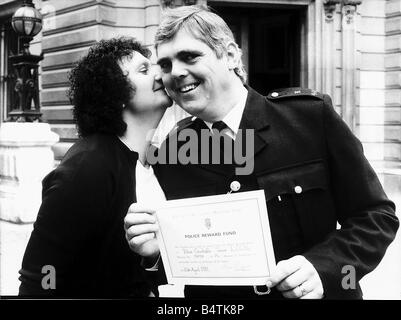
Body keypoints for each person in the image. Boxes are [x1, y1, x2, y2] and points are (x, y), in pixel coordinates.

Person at [124, 5, 399, 299]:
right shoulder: (173, 150)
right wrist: (153, 254)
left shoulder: (310, 119)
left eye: (190, 56)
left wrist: (326, 270)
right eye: (165, 65)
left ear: (230, 55)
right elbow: (187, 261)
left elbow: (376, 216)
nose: (176, 72)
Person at [18, 37, 172, 297]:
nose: (160, 74)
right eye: (144, 70)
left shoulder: (160, 162)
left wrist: (151, 259)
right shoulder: (87, 167)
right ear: (115, 93)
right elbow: (43, 271)